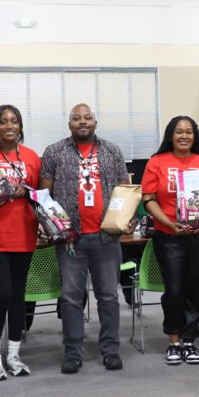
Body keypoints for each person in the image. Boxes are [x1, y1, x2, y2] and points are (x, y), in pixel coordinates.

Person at [39, 104, 131, 374]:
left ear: (95, 122)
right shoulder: (54, 152)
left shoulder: (112, 151)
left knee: (108, 297)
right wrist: (51, 228)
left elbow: (125, 191)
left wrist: (128, 220)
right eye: (77, 118)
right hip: (71, 240)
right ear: (70, 124)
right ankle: (72, 353)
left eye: (87, 117)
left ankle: (111, 351)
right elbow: (44, 197)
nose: (83, 121)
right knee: (71, 299)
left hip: (106, 237)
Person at [141, 115, 199, 365]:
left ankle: (189, 341)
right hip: (169, 236)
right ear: (171, 135)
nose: (184, 136)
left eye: (189, 132)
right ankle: (174, 341)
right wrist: (168, 223)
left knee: (195, 288)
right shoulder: (157, 162)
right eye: (179, 131)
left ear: (195, 136)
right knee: (174, 289)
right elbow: (148, 199)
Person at [0, 105, 40, 380]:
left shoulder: (31, 156)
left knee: (17, 296)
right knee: (2, 293)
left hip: (24, 233)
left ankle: (13, 354)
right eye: (3, 122)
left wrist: (27, 191)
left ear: (20, 126)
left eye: (14, 121)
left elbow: (40, 193)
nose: (9, 125)